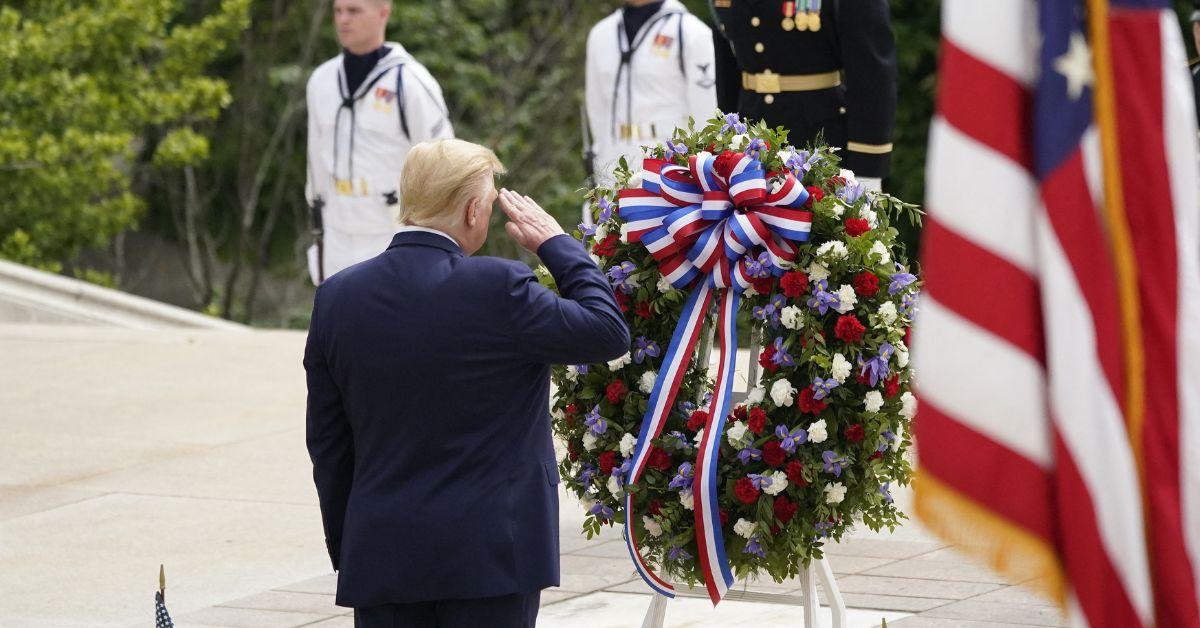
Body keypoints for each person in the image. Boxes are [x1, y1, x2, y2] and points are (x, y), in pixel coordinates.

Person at [304, 139, 630, 628]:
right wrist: (556, 244)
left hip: (383, 553)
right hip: (493, 557)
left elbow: (328, 446)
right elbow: (607, 331)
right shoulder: (501, 288)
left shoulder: (336, 297)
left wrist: (351, 546)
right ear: (475, 210)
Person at [306, 0, 454, 284]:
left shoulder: (410, 81)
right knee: (338, 320)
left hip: (390, 230)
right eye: (338, 11)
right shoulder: (321, 81)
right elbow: (315, 156)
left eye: (354, 11)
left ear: (383, 12)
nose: (343, 20)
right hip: (336, 228)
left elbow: (444, 163)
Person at [710, 0, 896, 191]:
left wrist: (868, 170)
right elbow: (727, 70)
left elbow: (870, 74)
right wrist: (725, 146)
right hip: (749, 145)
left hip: (819, 146)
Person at [584, 0, 717, 200]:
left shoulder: (691, 32)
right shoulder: (600, 35)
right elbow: (596, 110)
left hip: (669, 167)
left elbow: (706, 116)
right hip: (613, 164)